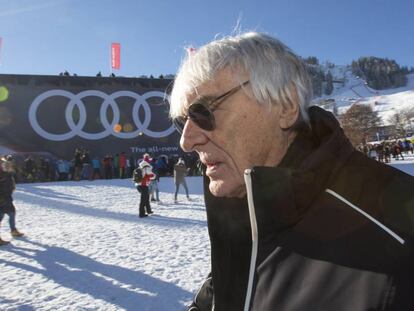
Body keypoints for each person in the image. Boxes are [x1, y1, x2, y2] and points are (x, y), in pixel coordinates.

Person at [169, 32, 414, 310]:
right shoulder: (243, 217)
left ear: (285, 105)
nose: (186, 141)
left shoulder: (401, 234)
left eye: (203, 112)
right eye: (182, 121)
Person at [0, 156, 24, 245]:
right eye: (4, 163)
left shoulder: (6, 173)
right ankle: (13, 230)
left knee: (11, 213)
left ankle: (13, 230)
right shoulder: (2, 174)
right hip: (3, 198)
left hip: (6, 197)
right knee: (8, 214)